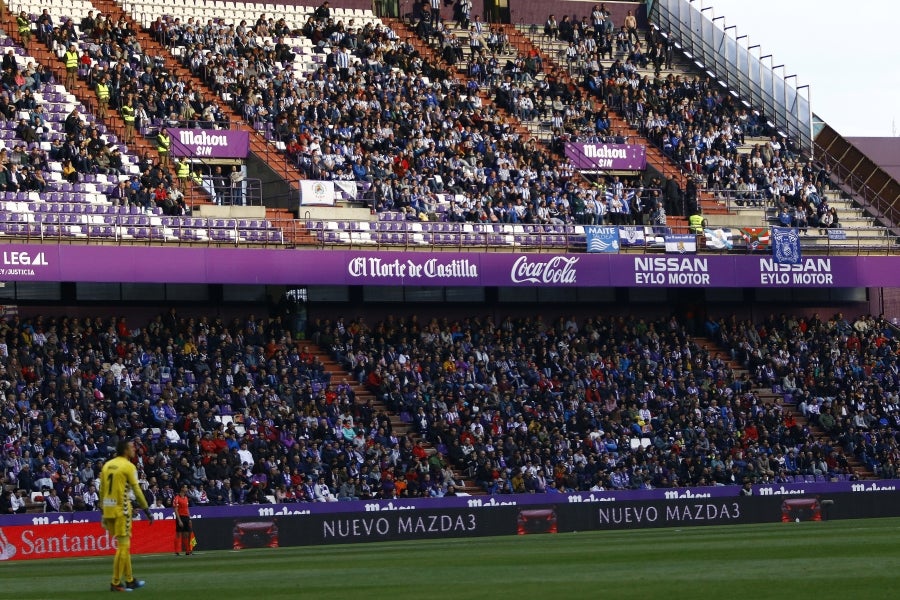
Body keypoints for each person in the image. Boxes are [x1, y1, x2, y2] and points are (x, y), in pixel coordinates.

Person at [99, 439, 154, 592]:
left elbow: (102, 489)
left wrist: (102, 509)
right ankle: (116, 583)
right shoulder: (129, 466)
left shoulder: (107, 465)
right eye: (131, 447)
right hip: (122, 509)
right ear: (125, 450)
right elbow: (137, 491)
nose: (134, 449)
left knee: (123, 547)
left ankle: (130, 580)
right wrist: (146, 510)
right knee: (123, 547)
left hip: (108, 510)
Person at [172, 484, 193, 556]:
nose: (187, 488)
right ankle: (176, 551)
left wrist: (189, 518)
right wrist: (179, 520)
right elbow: (175, 510)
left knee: (186, 535)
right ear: (182, 488)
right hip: (180, 517)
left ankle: (187, 551)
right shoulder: (177, 498)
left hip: (186, 517)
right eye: (185, 487)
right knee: (178, 534)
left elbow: (187, 509)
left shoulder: (186, 498)